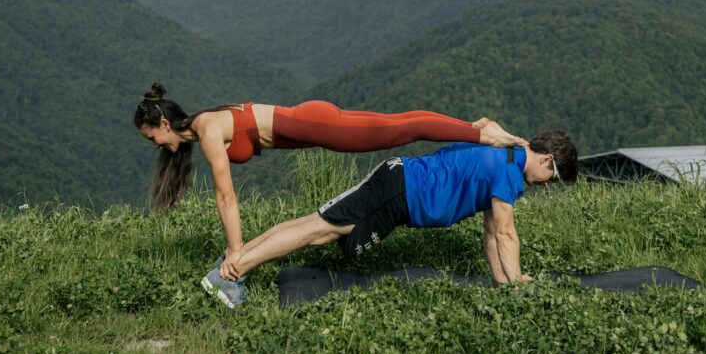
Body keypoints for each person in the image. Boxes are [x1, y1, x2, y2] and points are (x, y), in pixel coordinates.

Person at [133, 83, 530, 281]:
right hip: (312, 122)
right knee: (398, 126)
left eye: (153, 138)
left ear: (164, 123)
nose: (157, 146)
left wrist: (236, 250)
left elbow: (226, 198)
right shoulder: (202, 126)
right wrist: (236, 250)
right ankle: (477, 129)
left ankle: (481, 132)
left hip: (314, 124)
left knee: (402, 129)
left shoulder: (206, 129)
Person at [199, 130, 579, 308]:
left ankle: (234, 262)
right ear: (547, 159)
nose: (548, 185)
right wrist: (517, 289)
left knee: (315, 225)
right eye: (554, 177)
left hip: (399, 181)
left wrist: (503, 281)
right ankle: (229, 275)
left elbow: (492, 231)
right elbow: (506, 235)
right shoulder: (509, 172)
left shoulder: (505, 154)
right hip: (399, 193)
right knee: (318, 231)